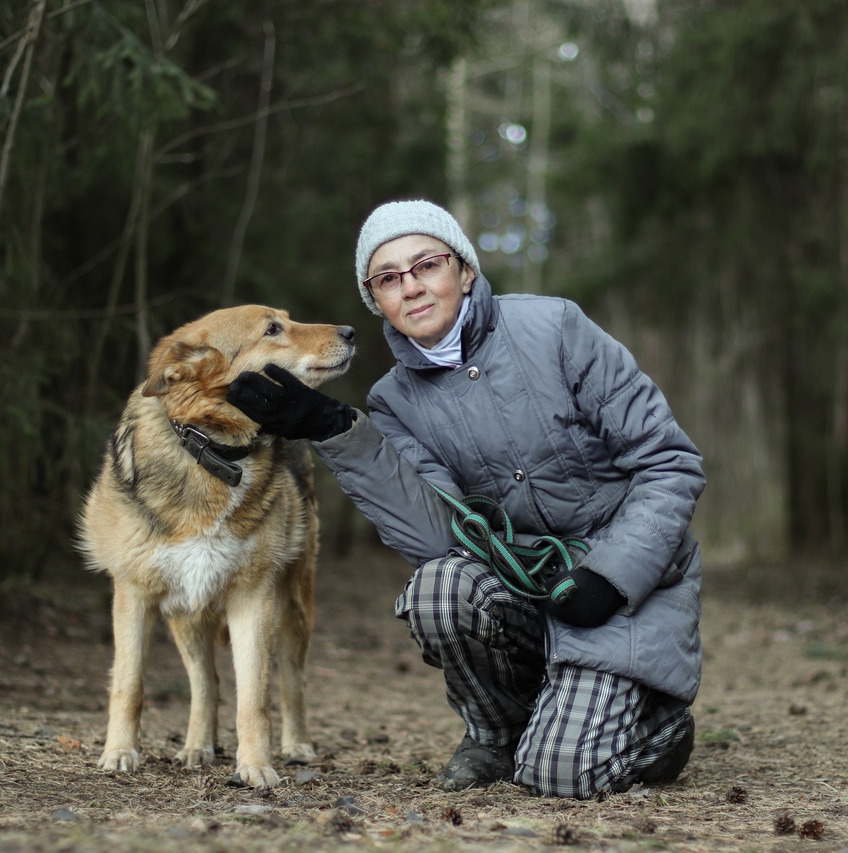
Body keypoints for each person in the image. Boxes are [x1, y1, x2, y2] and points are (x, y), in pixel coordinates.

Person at [226, 199, 705, 799]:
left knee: (559, 775)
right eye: (389, 278)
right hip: (523, 587)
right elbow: (438, 540)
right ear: (377, 301)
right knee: (438, 587)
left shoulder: (555, 328)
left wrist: (610, 576)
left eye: (426, 264)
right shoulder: (393, 402)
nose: (412, 287)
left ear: (466, 270)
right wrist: (336, 432)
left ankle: (656, 725)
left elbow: (669, 463)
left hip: (619, 588)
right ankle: (497, 732)